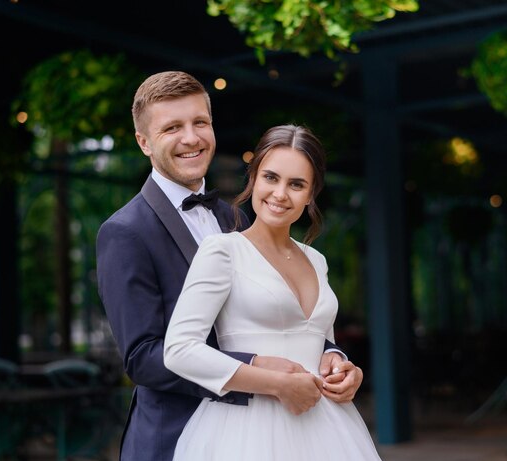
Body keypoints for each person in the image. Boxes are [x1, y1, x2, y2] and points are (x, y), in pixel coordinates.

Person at [96, 71, 363, 461]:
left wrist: (333, 357)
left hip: (288, 429)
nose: (191, 138)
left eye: (200, 122)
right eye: (172, 127)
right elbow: (144, 357)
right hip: (175, 435)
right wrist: (262, 374)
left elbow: (282, 318)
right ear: (144, 142)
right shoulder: (125, 232)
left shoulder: (240, 219)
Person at [164, 124, 382, 460]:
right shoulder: (222, 251)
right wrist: (276, 384)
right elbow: (179, 350)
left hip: (327, 427)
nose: (280, 194)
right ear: (253, 179)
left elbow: (320, 339)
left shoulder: (317, 259)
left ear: (310, 195)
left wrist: (342, 365)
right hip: (245, 431)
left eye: (296, 184)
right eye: (271, 178)